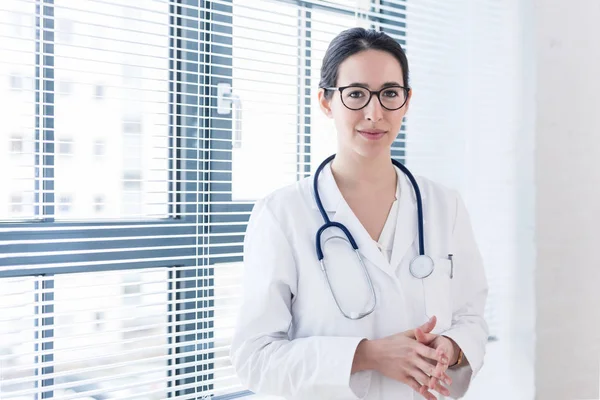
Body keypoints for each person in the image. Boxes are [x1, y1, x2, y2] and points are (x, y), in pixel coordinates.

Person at [230, 27, 488, 400]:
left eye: (389, 94)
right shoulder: (282, 214)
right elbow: (254, 357)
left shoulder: (444, 205)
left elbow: (471, 319)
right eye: (355, 94)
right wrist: (366, 355)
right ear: (325, 101)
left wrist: (450, 347)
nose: (374, 112)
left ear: (407, 100)